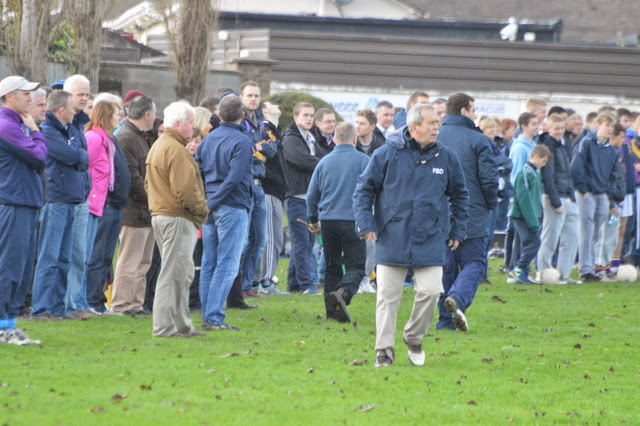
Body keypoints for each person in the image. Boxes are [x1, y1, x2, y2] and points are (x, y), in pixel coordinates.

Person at [353, 104, 468, 367]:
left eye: (438, 123)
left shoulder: (447, 157)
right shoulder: (387, 154)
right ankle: (384, 351)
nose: (437, 127)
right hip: (392, 236)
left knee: (430, 292)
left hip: (431, 237)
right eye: (431, 123)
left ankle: (414, 338)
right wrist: (365, 223)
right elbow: (363, 189)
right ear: (414, 127)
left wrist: (458, 228)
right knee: (387, 298)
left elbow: (461, 195)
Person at [436, 93, 498, 332]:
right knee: (474, 262)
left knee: (447, 267)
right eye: (473, 110)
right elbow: (489, 179)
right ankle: (458, 299)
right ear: (463, 111)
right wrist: (490, 204)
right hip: (472, 210)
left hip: (440, 212)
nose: (475, 115)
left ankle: (445, 321)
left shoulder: (434, 136)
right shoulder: (478, 140)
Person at [146, 101, 208, 337]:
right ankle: (164, 327)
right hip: (177, 218)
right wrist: (202, 210)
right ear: (179, 123)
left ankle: (182, 325)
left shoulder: (161, 145)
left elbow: (148, 184)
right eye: (191, 121)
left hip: (163, 215)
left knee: (182, 273)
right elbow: (185, 191)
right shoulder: (175, 149)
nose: (194, 127)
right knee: (173, 274)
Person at [31, 90, 90, 320]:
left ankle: (58, 308)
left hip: (72, 198)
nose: (76, 112)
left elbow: (83, 154)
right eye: (73, 108)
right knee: (49, 256)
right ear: (62, 110)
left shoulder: (71, 129)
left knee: (65, 258)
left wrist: (79, 155)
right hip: (56, 199)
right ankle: (41, 308)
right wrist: (79, 155)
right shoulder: (47, 130)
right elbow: (71, 156)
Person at [197, 95, 253, 331]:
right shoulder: (242, 141)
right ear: (243, 116)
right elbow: (234, 178)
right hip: (231, 205)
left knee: (209, 261)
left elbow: (197, 171)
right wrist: (214, 201)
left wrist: (206, 201)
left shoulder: (207, 140)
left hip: (209, 205)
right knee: (227, 264)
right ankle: (213, 316)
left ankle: (208, 314)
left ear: (219, 115)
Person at [307, 122, 369, 323]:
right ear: (355, 139)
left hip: (328, 221)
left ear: (334, 139)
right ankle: (343, 294)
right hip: (353, 220)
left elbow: (311, 195)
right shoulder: (364, 161)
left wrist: (313, 220)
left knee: (332, 266)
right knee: (356, 266)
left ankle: (332, 313)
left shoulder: (323, 162)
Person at [0, 75, 46, 345]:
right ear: (9, 97)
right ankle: (3, 327)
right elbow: (39, 157)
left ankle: (11, 324)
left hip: (25, 204)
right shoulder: (6, 125)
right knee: (10, 266)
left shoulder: (16, 124)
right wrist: (37, 132)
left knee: (23, 267)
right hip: (12, 204)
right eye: (25, 93)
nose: (30, 98)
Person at [110, 95, 157, 315]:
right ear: (146, 115)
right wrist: (153, 199)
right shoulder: (127, 137)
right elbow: (132, 177)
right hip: (133, 212)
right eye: (154, 114)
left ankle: (136, 304)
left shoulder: (142, 136)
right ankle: (121, 305)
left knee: (143, 263)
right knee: (129, 261)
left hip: (147, 211)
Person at [84, 97, 131, 315]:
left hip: (114, 205)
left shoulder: (111, 140)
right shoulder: (94, 139)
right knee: (96, 254)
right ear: (105, 116)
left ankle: (98, 300)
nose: (119, 116)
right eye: (116, 113)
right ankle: (91, 300)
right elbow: (85, 168)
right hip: (100, 205)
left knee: (105, 257)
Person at [237, 81, 277, 299]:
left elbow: (272, 149)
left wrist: (260, 150)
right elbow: (246, 151)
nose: (253, 99)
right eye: (249, 95)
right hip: (245, 185)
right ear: (242, 97)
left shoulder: (262, 123)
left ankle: (247, 284)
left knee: (260, 238)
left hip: (260, 187)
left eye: (256, 95)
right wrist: (259, 150)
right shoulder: (239, 122)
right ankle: (238, 286)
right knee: (243, 239)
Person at [571, 113, 620, 283]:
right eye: (607, 125)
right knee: (586, 230)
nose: (609, 129)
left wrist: (609, 195)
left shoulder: (611, 151)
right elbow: (577, 167)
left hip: (602, 194)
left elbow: (613, 175)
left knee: (596, 232)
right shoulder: (586, 143)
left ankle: (590, 266)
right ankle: (585, 270)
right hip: (587, 193)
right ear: (597, 125)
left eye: (611, 127)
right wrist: (583, 189)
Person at [282, 102, 324, 294]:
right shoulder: (290, 139)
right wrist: (324, 165)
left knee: (307, 242)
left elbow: (322, 157)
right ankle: (307, 284)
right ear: (296, 117)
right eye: (305, 115)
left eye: (311, 115)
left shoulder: (311, 138)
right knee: (301, 242)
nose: (309, 118)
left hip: (310, 198)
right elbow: (301, 160)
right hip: (296, 196)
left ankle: (294, 284)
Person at [61, 75, 93, 316]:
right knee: (63, 254)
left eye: (86, 94)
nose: (84, 99)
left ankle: (75, 303)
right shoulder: (61, 125)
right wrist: (81, 157)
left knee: (80, 255)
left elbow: (81, 157)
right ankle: (64, 304)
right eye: (79, 94)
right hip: (64, 196)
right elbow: (76, 157)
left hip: (81, 195)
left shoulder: (79, 123)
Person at [537, 114, 580, 284]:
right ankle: (544, 273)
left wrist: (571, 195)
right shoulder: (547, 146)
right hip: (554, 199)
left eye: (562, 128)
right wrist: (556, 201)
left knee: (571, 237)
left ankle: (564, 274)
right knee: (550, 238)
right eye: (556, 128)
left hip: (568, 197)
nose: (559, 132)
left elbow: (568, 173)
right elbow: (548, 177)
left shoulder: (563, 145)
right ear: (548, 128)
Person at [256, 101, 290, 296]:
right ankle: (265, 282)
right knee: (270, 239)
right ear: (265, 110)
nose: (278, 106)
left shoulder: (274, 131)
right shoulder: (265, 130)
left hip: (276, 191)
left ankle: (263, 280)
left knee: (274, 238)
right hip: (269, 190)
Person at [508, 144, 551, 283]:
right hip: (522, 216)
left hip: (530, 215)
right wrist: (532, 221)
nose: (543, 165)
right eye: (543, 161)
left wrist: (539, 212)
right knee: (534, 242)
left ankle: (522, 273)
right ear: (537, 156)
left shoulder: (533, 173)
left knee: (524, 243)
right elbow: (524, 198)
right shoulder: (525, 172)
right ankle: (519, 269)